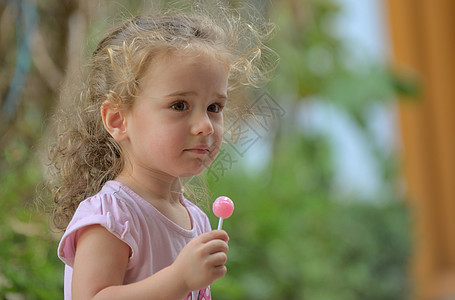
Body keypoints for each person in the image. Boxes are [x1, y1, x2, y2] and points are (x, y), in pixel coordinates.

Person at [47, 4, 276, 300]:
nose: (205, 125)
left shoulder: (197, 220)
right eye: (179, 105)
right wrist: (179, 279)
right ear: (118, 120)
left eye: (214, 107)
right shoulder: (113, 216)